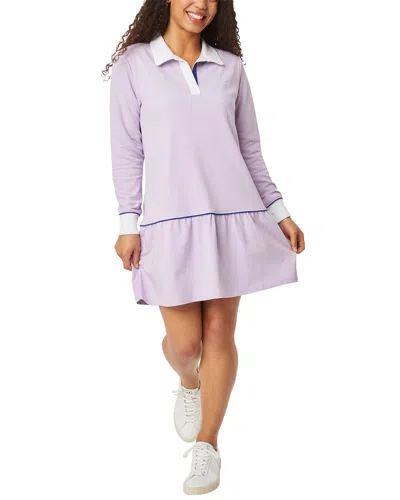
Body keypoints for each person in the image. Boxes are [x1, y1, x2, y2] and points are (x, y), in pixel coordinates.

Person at [104, 0, 305, 495]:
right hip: (168, 222)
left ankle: (208, 447)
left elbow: (250, 150)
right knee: (185, 346)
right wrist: (128, 222)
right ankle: (190, 382)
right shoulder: (135, 65)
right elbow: (127, 150)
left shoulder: (230, 68)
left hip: (231, 215)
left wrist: (279, 211)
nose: (202, 5)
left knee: (219, 334)